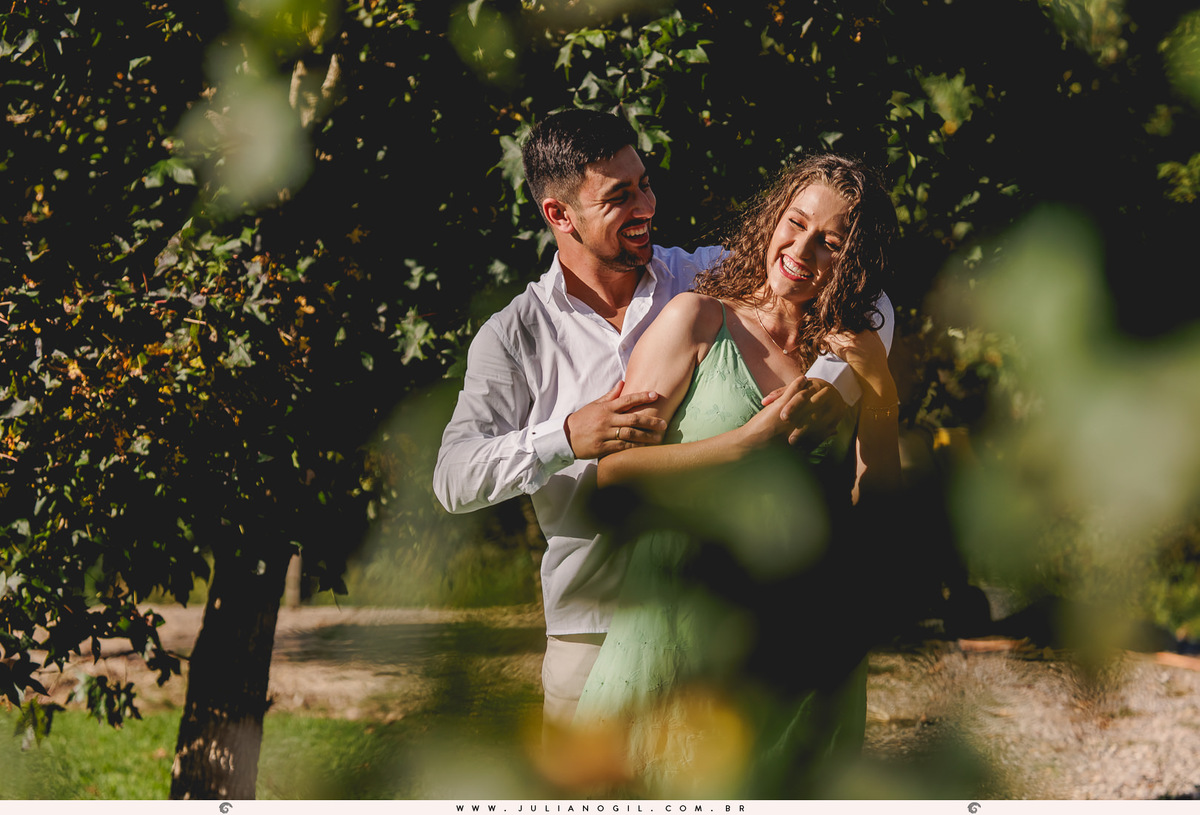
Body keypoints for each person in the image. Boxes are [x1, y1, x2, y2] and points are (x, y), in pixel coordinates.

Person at [431, 109, 893, 734]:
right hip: (593, 627)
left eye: (645, 182)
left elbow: (860, 294)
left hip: (723, 616)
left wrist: (835, 388)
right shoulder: (517, 337)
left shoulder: (702, 274)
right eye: (621, 197)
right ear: (559, 216)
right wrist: (564, 438)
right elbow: (454, 478)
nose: (647, 204)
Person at [569, 153, 902, 798]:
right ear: (773, 219)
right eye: (795, 222)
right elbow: (614, 475)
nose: (802, 249)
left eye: (829, 242)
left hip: (803, 646)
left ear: (853, 262)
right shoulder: (697, 320)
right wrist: (747, 444)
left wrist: (880, 384)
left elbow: (877, 501)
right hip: (678, 633)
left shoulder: (848, 357)